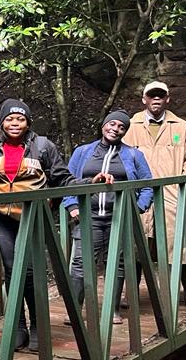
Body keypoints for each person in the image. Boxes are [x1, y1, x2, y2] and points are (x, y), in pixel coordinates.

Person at [0, 99, 110, 352]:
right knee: (10, 269)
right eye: (9, 119)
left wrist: (88, 182)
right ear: (2, 122)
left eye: (20, 119)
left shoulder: (43, 146)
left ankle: (38, 326)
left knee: (29, 272)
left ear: (28, 122)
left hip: (34, 218)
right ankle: (17, 326)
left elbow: (61, 177)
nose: (14, 123)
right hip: (3, 219)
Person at [62, 110, 153, 324]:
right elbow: (67, 181)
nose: (115, 129)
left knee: (118, 262)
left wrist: (137, 208)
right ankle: (75, 310)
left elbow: (147, 185)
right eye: (112, 124)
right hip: (87, 217)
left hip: (118, 218)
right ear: (103, 126)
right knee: (81, 263)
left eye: (121, 127)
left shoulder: (133, 155)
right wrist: (72, 205)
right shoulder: (83, 152)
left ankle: (112, 310)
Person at [123, 81, 186, 252]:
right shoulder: (129, 127)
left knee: (179, 249)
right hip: (139, 196)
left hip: (172, 197)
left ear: (168, 99)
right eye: (152, 95)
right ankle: (133, 279)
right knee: (136, 249)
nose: (156, 98)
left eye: (161, 95)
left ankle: (181, 279)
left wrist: (185, 194)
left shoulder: (181, 127)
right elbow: (120, 161)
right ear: (144, 99)